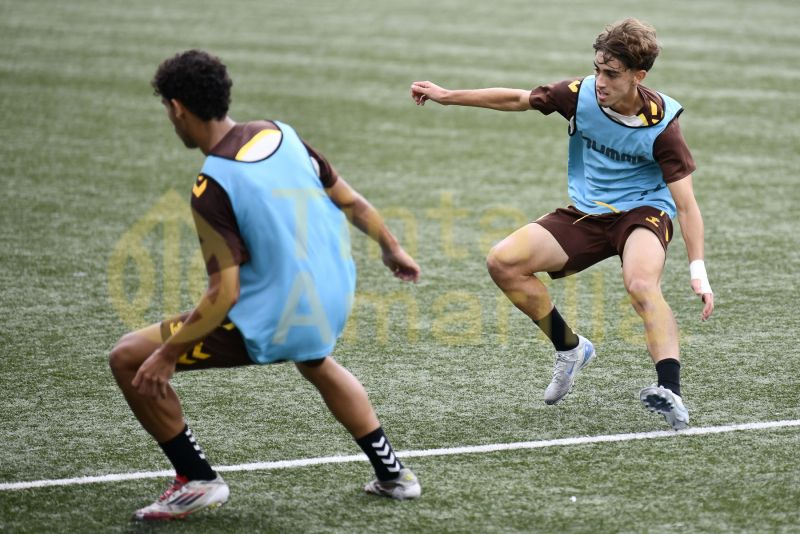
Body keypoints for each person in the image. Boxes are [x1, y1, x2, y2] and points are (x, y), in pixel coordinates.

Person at [109, 49, 422, 522]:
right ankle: (394, 474)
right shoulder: (281, 133)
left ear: (177, 108)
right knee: (315, 360)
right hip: (328, 300)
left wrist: (167, 354)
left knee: (129, 357)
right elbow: (351, 200)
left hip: (275, 317)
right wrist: (391, 246)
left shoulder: (211, 185)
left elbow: (225, 294)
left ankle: (196, 480)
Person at [410, 18, 714, 430]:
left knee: (641, 285)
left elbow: (688, 206)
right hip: (589, 212)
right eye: (597, 69)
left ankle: (671, 393)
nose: (600, 81)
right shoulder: (579, 95)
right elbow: (517, 99)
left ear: (638, 77)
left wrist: (698, 272)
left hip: (644, 211)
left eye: (612, 74)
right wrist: (447, 96)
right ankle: (570, 348)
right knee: (503, 262)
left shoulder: (663, 128)